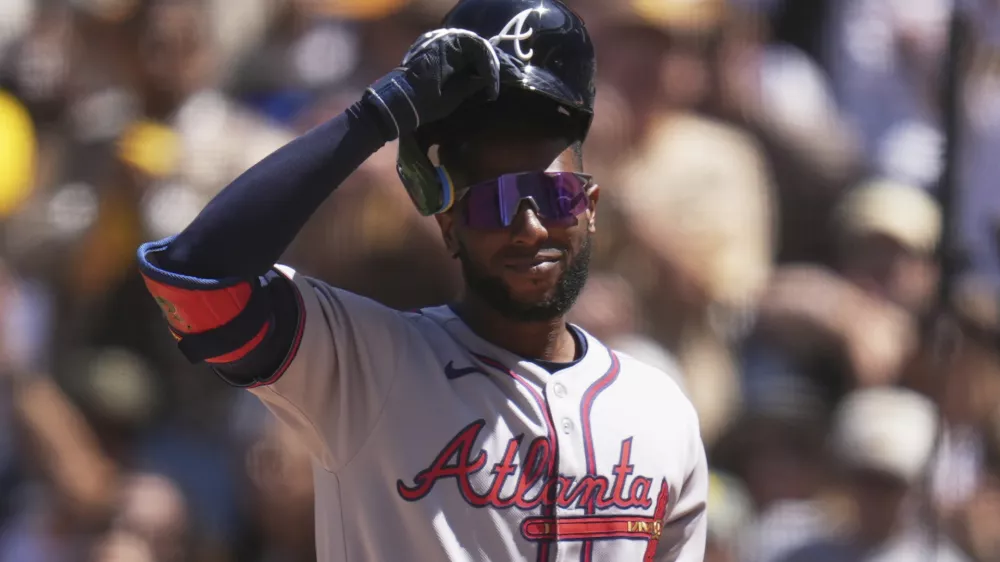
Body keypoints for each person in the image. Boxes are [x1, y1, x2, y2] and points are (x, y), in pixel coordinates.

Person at [135, 0, 708, 560]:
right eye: (494, 203)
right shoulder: (367, 367)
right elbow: (194, 278)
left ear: (590, 207)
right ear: (450, 225)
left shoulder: (660, 411)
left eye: (554, 197)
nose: (530, 227)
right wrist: (379, 115)